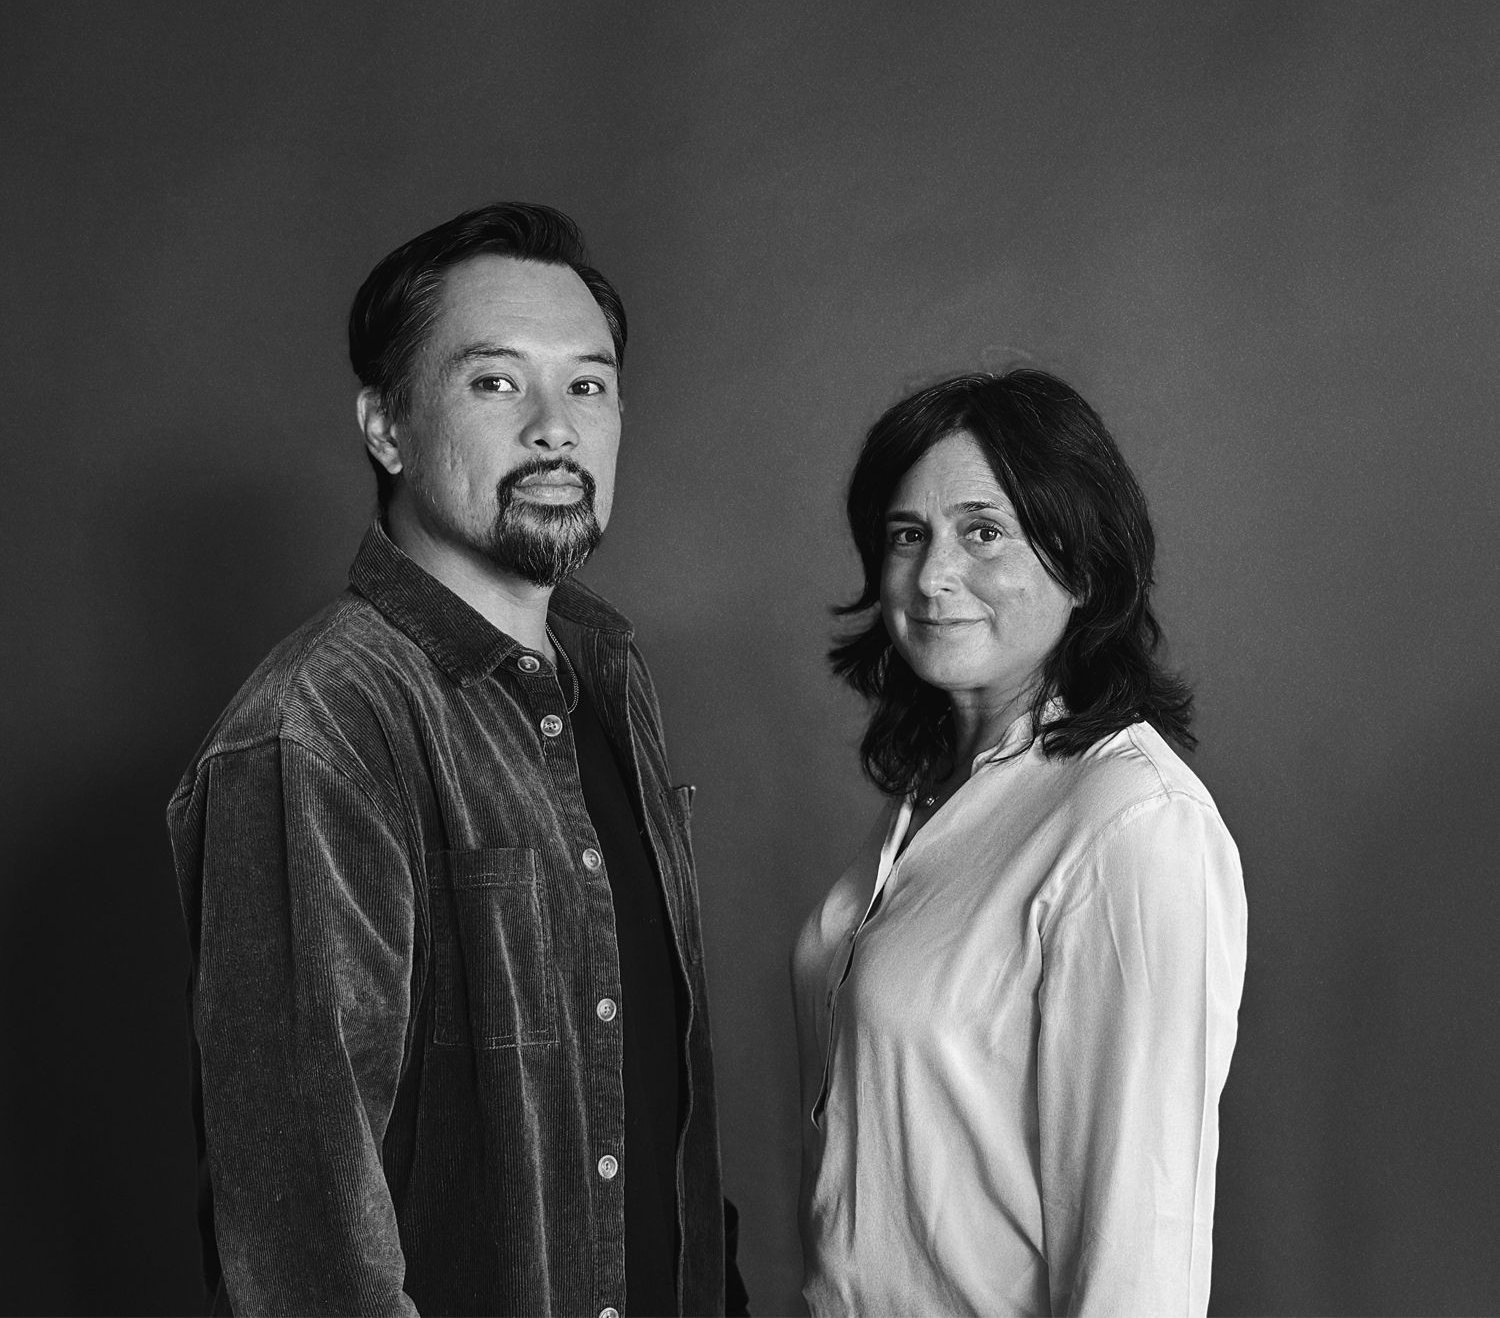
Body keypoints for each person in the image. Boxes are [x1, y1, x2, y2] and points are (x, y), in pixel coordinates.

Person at [166, 203, 745, 1317]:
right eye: (496, 383)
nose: (555, 427)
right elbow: (307, 1250)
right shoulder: (319, 727)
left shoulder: (608, 676)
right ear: (386, 427)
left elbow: (653, 1104)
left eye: (587, 384)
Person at [792, 369, 1247, 1317]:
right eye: (906, 536)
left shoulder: (1132, 822)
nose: (933, 574)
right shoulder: (934, 796)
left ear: (1081, 565)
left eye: (983, 531)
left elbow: (1140, 1254)